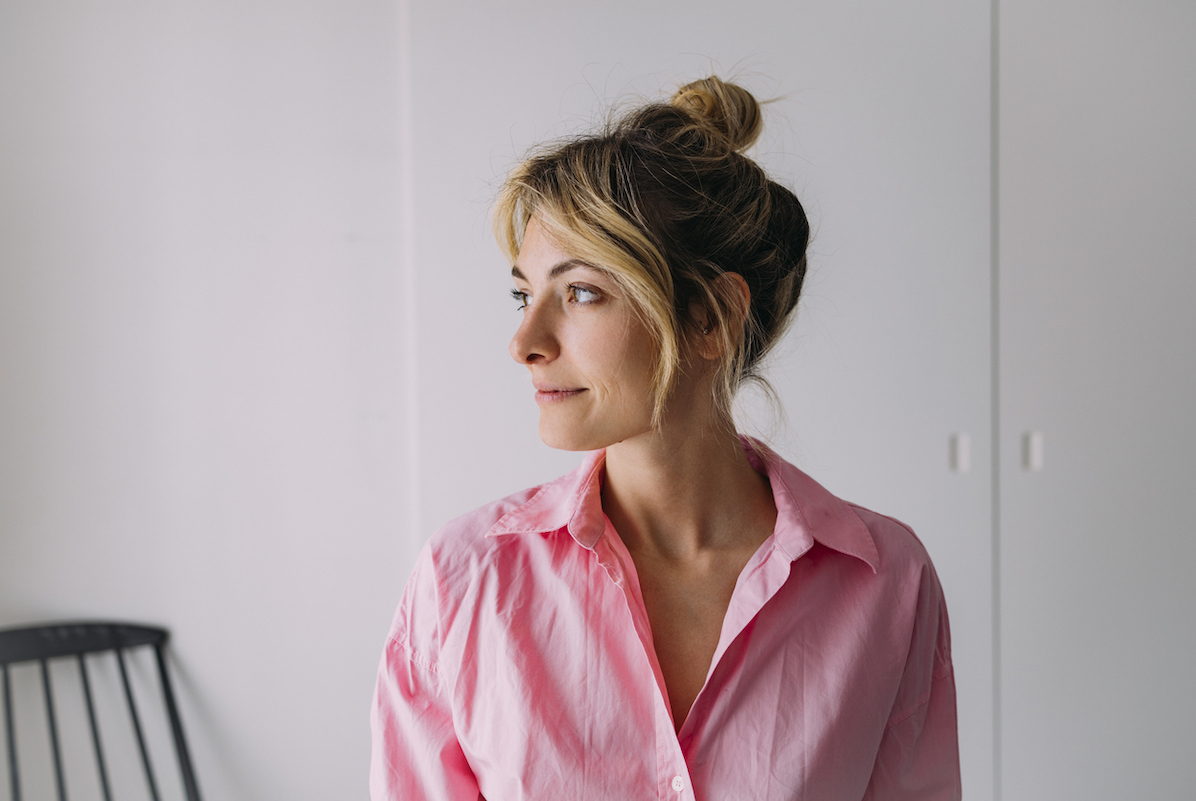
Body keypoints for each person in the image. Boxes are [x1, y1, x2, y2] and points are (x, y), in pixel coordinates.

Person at [370, 76, 960, 800]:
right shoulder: (463, 582)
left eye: (581, 291)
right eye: (524, 293)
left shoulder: (886, 583)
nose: (525, 340)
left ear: (710, 316)